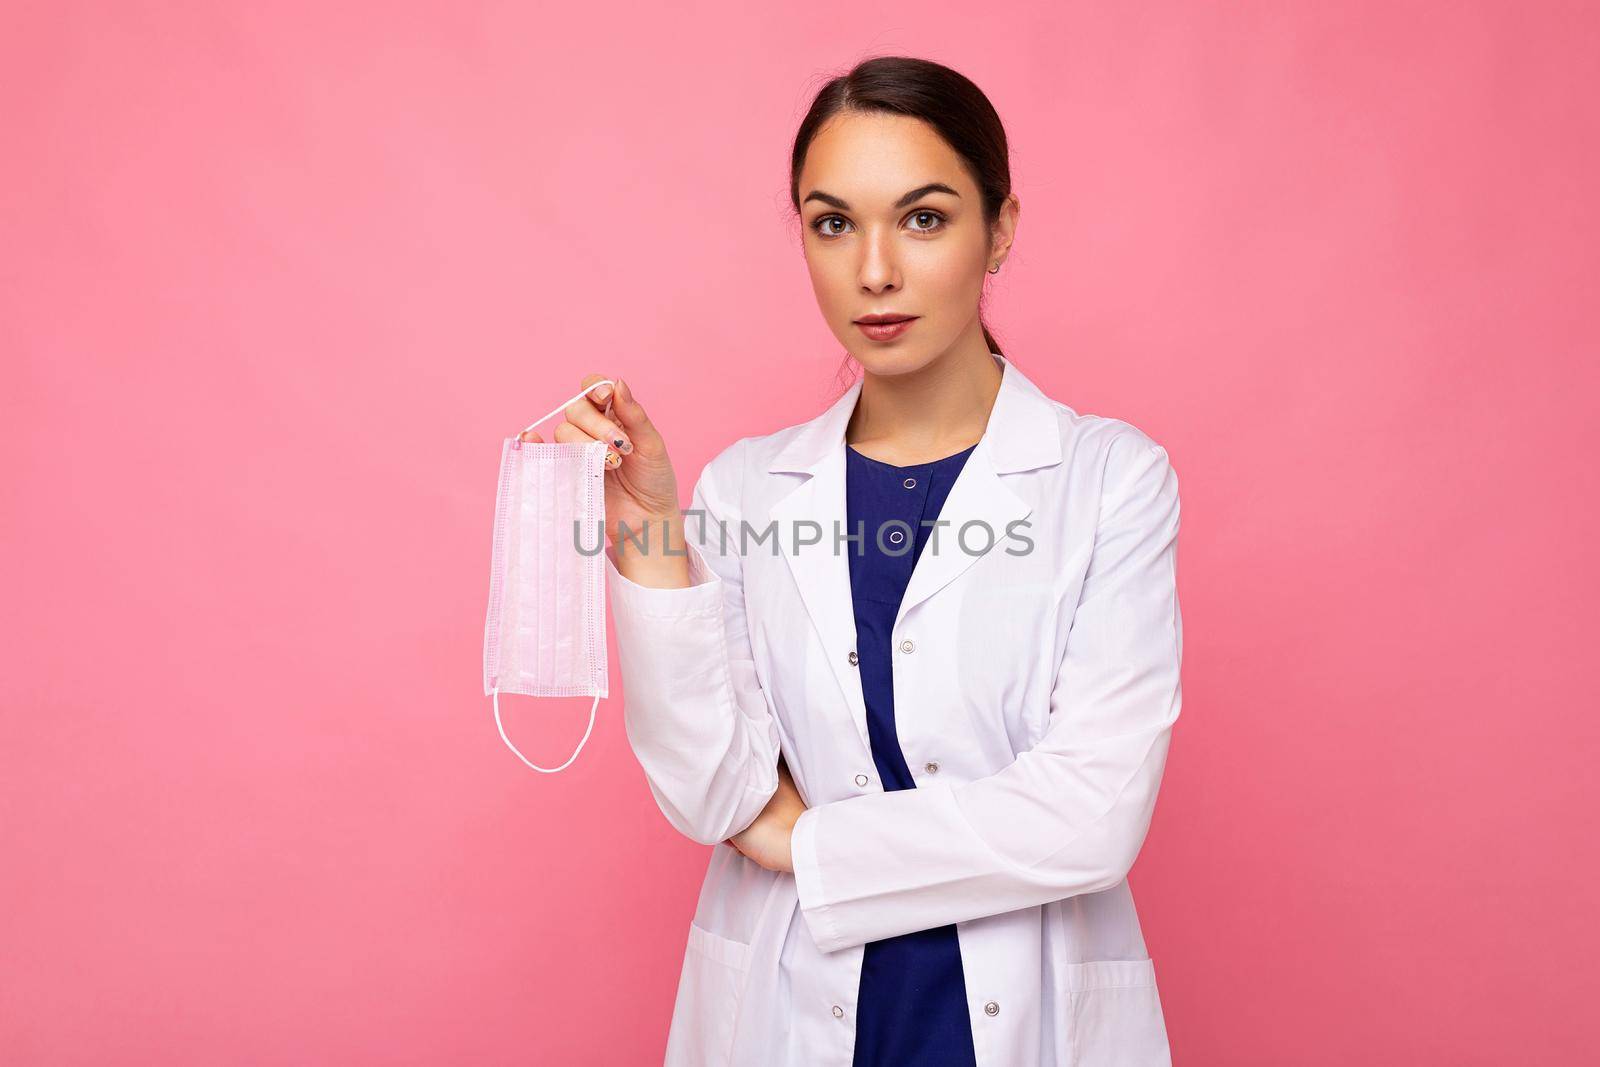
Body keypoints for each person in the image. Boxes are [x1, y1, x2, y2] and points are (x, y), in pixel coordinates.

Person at [521, 55, 1182, 1067]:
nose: (873, 269)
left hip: (1015, 1017)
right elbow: (709, 791)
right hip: (789, 1012)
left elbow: (1091, 815)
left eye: (923, 218)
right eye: (832, 223)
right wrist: (653, 529)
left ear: (998, 229)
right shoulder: (747, 488)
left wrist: (802, 842)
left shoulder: (1108, 479)